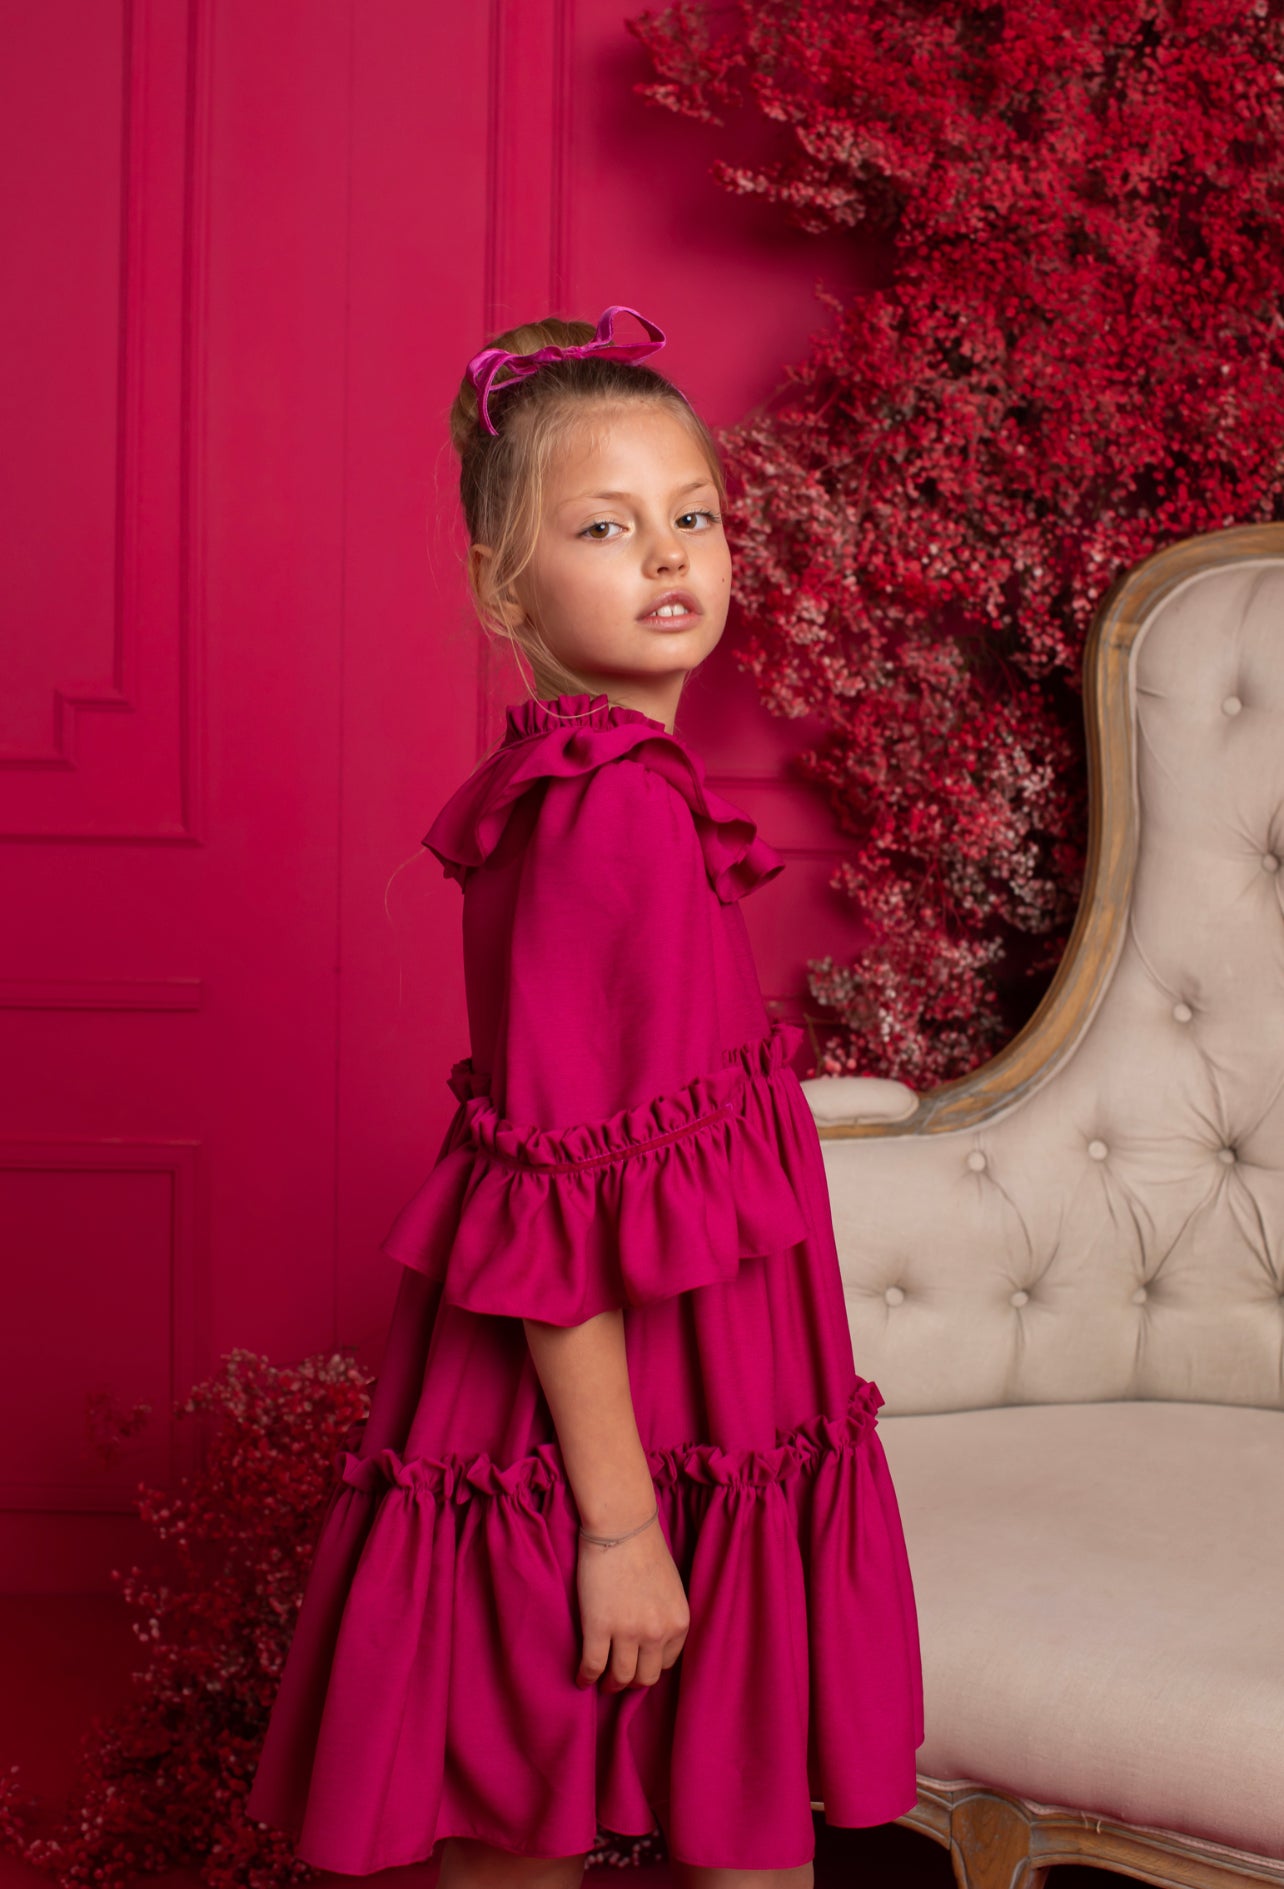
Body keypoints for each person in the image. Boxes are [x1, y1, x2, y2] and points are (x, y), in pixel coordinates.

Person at [245, 306, 924, 1885]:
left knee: (565, 1804)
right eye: (605, 528)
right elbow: (556, 1201)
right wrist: (618, 1528)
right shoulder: (606, 814)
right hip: (611, 1427)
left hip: (692, 1393)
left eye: (695, 515)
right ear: (505, 584)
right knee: (579, 1804)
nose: (669, 554)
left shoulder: (602, 784)